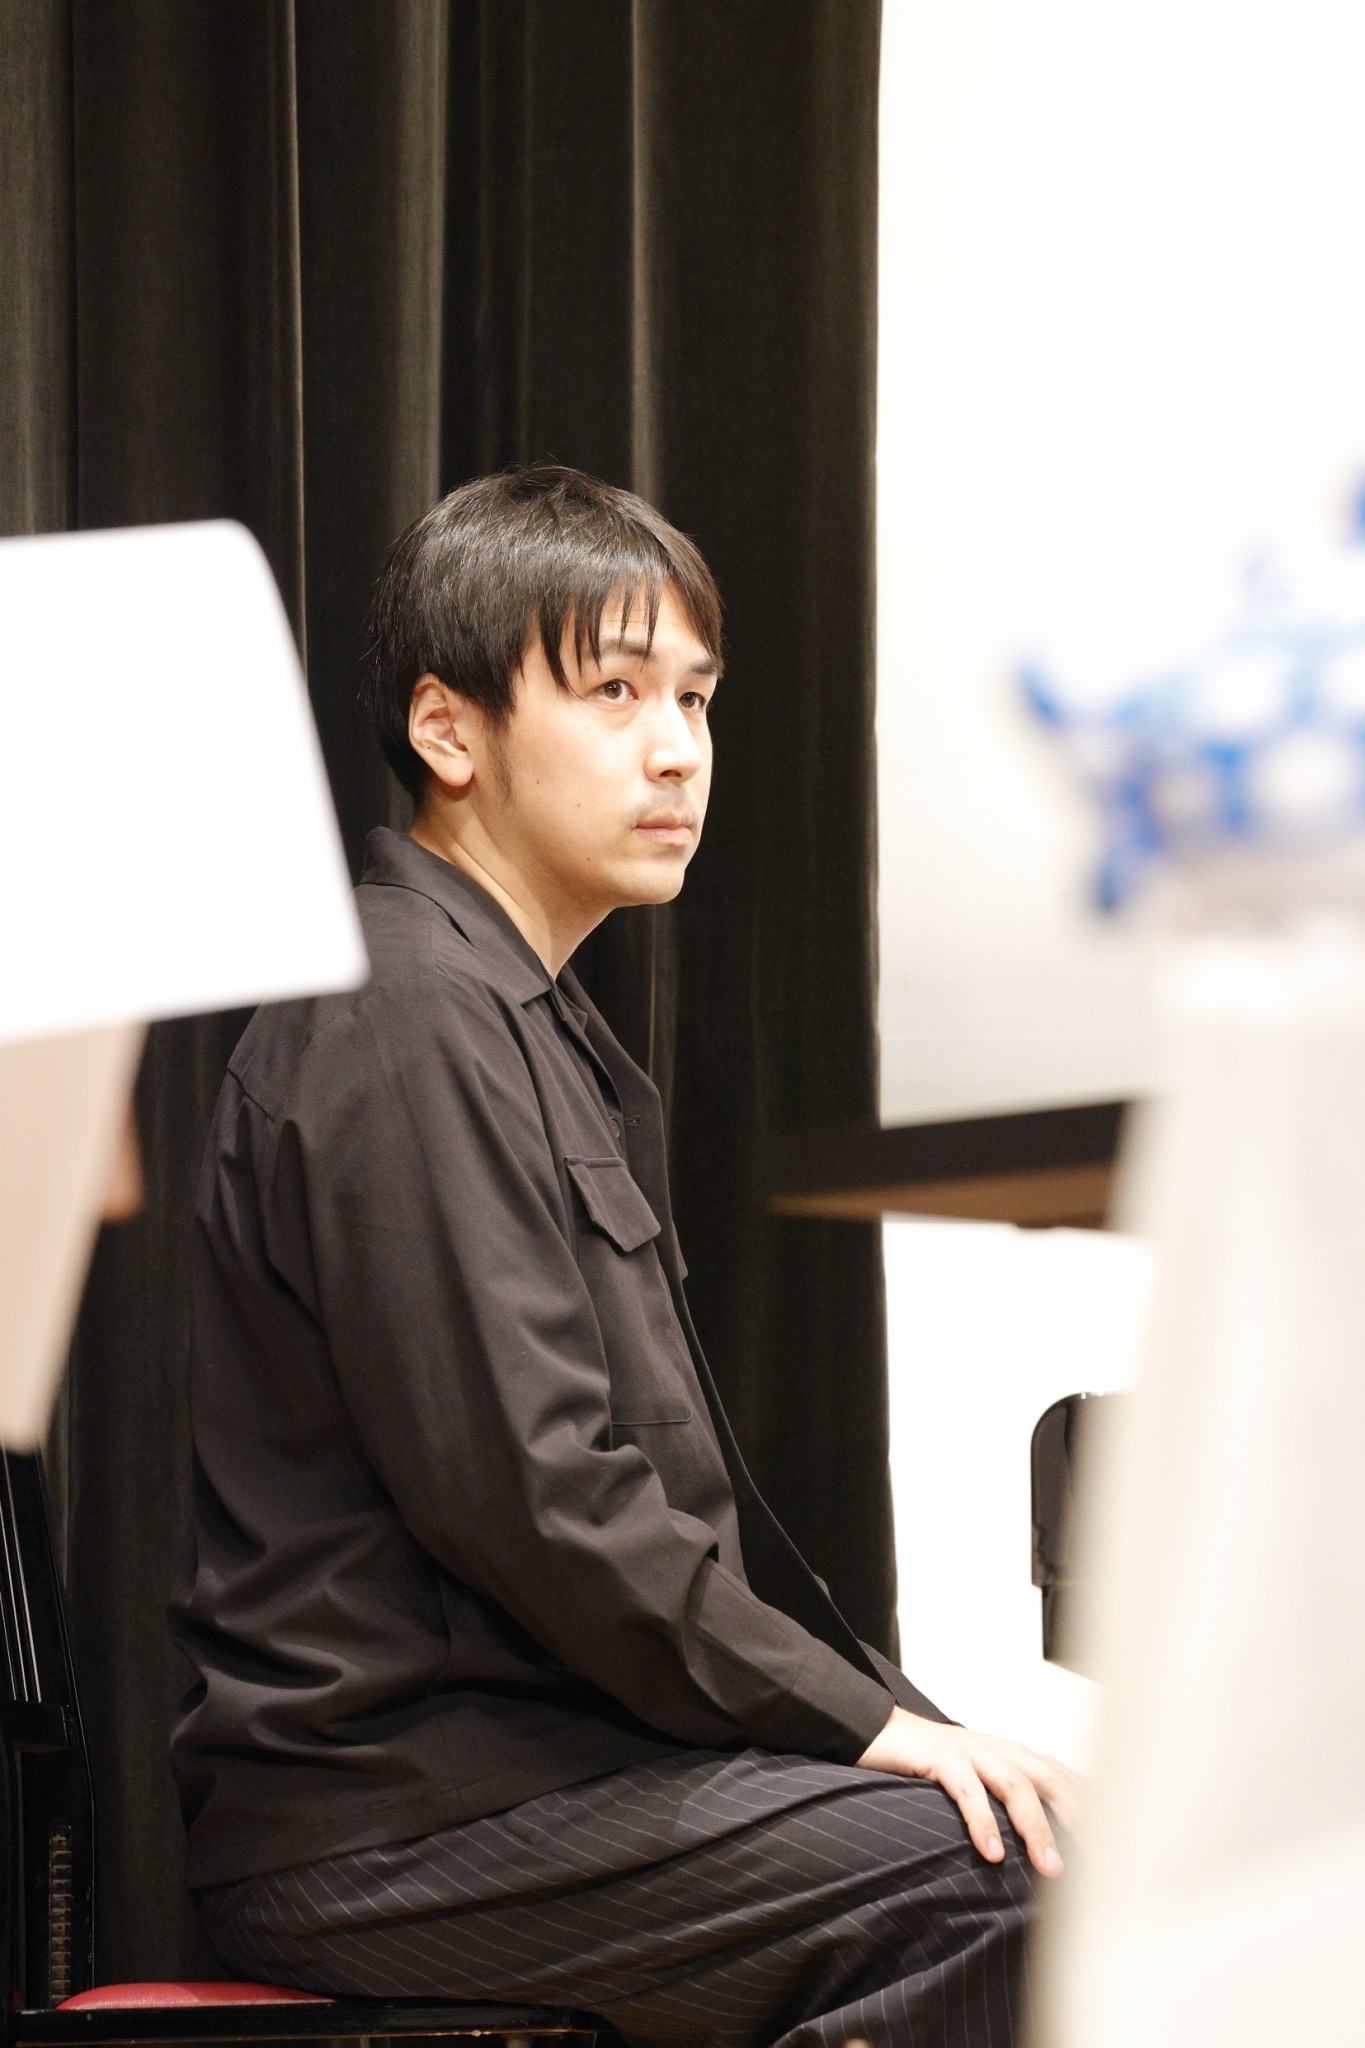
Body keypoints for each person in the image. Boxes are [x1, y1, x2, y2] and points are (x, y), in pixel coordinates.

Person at [171, 466, 1077, 2048]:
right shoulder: (402, 1016)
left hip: (565, 1773)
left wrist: (897, 1721)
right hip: (406, 1813)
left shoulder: (518, 1017)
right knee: (1044, 1890)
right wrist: (865, 1727)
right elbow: (537, 1503)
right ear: (448, 731)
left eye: (694, 699)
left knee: (1058, 1839)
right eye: (613, 693)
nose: (676, 750)